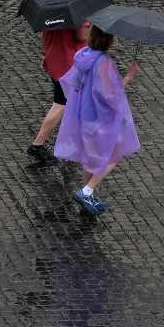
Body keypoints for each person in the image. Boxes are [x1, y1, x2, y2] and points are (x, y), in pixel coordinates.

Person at [54, 25, 140, 214]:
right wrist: (128, 77)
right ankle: (87, 190)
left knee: (90, 158)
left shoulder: (82, 55)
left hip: (84, 117)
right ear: (109, 40)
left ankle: (88, 198)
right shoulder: (103, 62)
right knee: (113, 155)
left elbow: (73, 83)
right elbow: (110, 94)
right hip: (100, 121)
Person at [27, 22, 91, 161]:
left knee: (72, 103)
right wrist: (89, 26)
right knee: (61, 103)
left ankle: (73, 142)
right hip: (70, 64)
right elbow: (81, 36)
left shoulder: (52, 13)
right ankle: (38, 144)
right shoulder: (78, 14)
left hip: (54, 60)